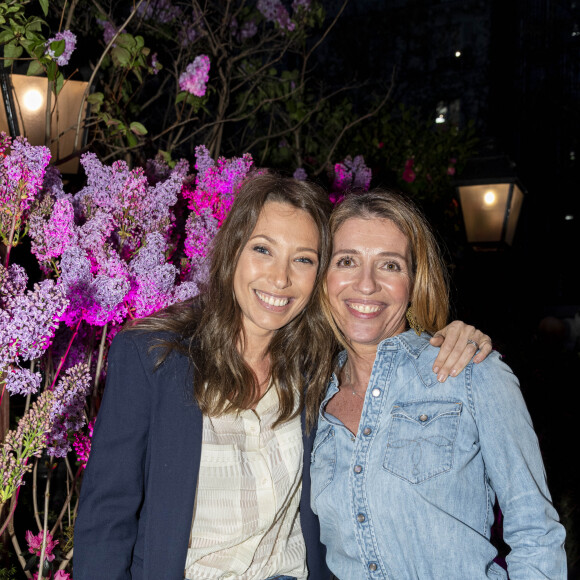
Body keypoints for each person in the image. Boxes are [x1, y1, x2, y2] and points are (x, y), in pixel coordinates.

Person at [74, 175, 491, 580]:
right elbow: (108, 515)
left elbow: (384, 330)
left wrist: (455, 334)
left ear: (320, 276)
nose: (280, 278)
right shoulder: (154, 357)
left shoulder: (319, 364)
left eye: (303, 259)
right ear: (233, 249)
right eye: (263, 249)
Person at [309, 188, 567, 579]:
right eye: (346, 261)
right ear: (322, 278)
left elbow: (536, 531)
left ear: (413, 281)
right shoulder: (306, 398)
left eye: (390, 265)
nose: (366, 284)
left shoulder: (471, 371)